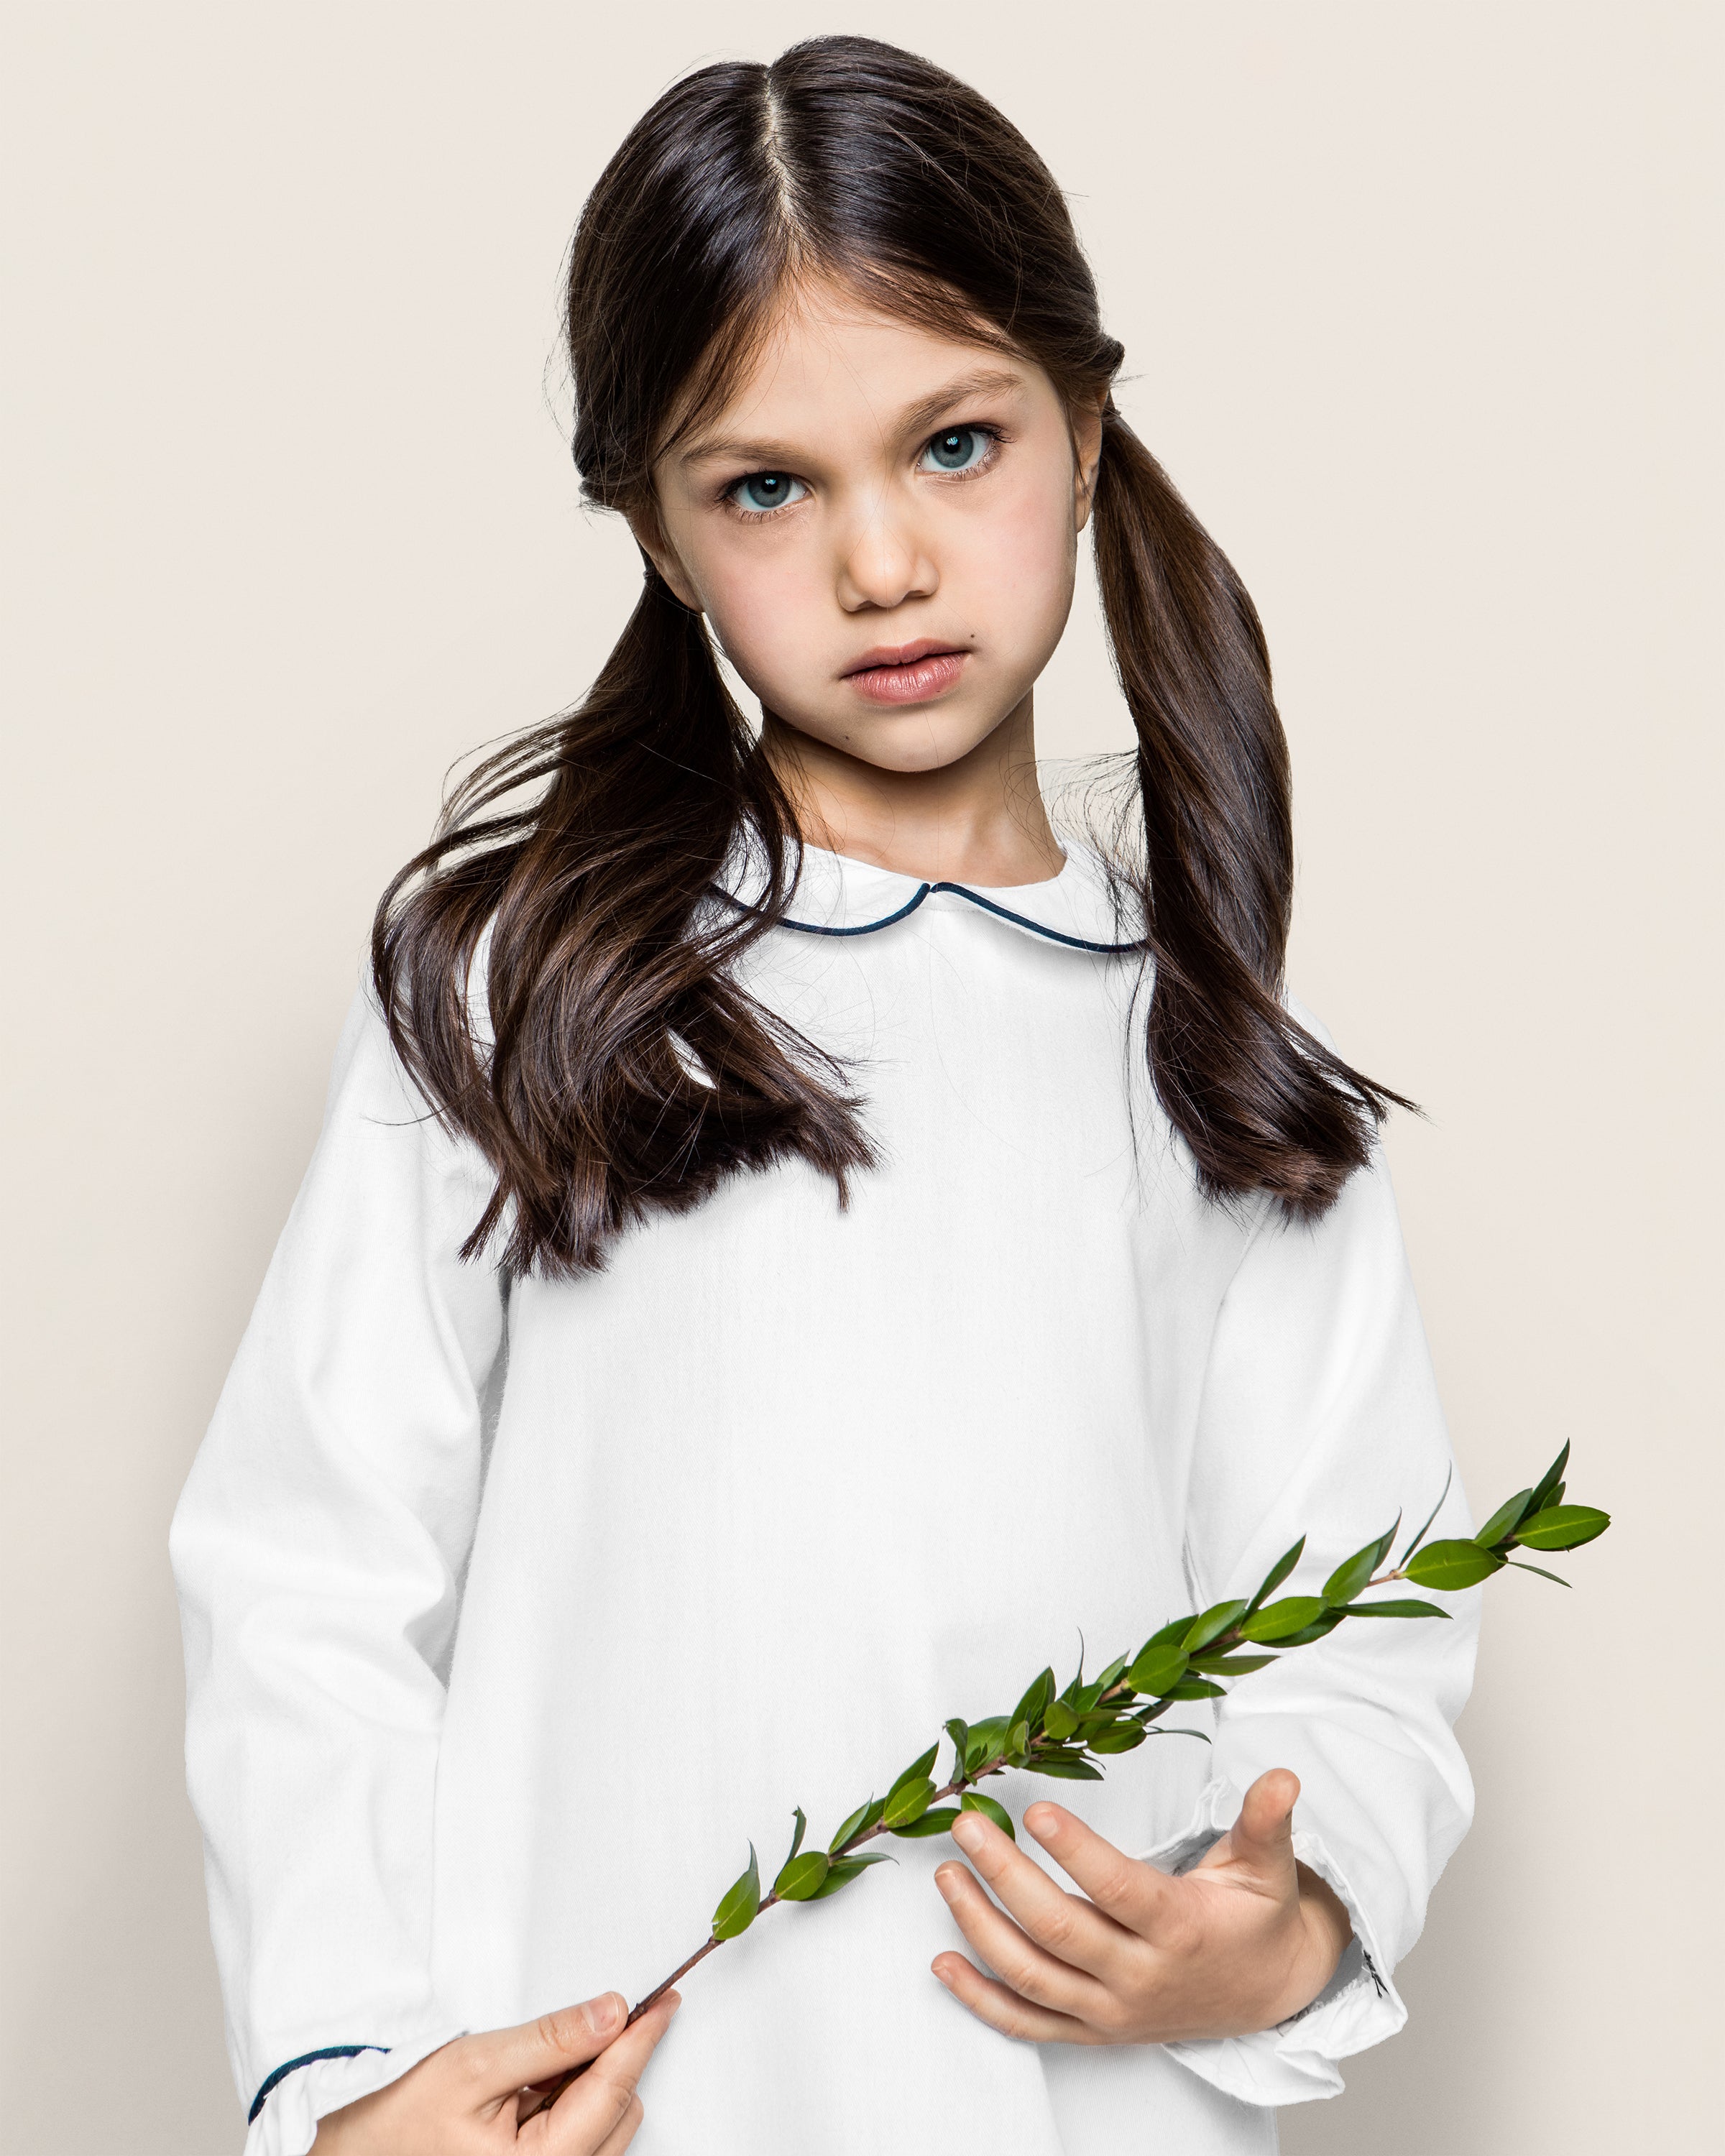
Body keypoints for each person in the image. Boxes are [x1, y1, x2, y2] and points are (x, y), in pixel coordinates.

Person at [171, 34, 1478, 2156]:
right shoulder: (526, 984)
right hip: (612, 2104)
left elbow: (1366, 1599)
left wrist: (1295, 1920)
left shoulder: (1212, 1047)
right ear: (661, 535)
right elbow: (307, 1561)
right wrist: (351, 2075)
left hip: (1084, 2111)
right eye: (766, 485)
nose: (881, 561)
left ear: (1083, 425)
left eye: (954, 444)